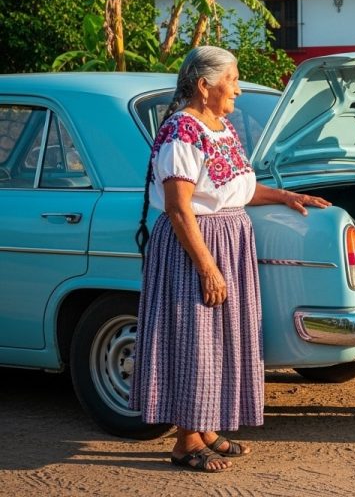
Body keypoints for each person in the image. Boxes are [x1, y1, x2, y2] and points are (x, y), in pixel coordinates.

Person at [130, 46, 330, 472]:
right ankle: (185, 441)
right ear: (205, 86)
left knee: (220, 339)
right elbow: (179, 207)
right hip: (195, 245)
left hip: (228, 241)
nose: (237, 89)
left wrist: (285, 195)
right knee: (194, 338)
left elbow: (237, 188)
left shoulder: (220, 127)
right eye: (232, 80)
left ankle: (205, 429)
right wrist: (207, 266)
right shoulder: (182, 131)